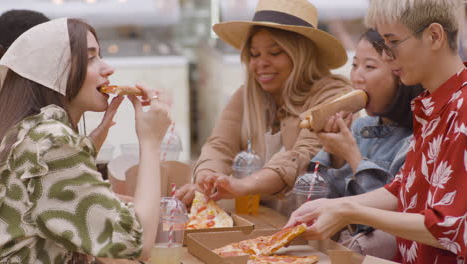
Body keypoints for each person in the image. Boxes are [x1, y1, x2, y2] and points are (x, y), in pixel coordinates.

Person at [286, 0, 467, 263]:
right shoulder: (432, 104)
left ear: (434, 36)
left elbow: (448, 227)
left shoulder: (461, 110)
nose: (385, 56)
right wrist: (329, 205)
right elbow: (402, 189)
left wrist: (349, 211)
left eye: (391, 43)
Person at [0, 18, 171, 263]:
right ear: (53, 71)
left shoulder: (28, 130)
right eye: (91, 59)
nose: (108, 69)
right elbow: (138, 242)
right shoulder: (51, 143)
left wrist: (86, 148)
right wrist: (151, 141)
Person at [177, 0, 353, 205]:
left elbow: (302, 156)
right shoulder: (246, 95)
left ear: (302, 55)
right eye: (254, 54)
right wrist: (206, 178)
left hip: (316, 226)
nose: (261, 63)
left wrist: (243, 185)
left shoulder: (334, 95)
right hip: (261, 221)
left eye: (275, 52)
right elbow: (219, 146)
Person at [309, 29, 423, 259]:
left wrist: (352, 155)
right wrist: (334, 154)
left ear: (401, 76)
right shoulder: (360, 127)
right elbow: (320, 200)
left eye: (369, 67)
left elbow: (389, 218)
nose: (356, 77)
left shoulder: (416, 139)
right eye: (354, 65)